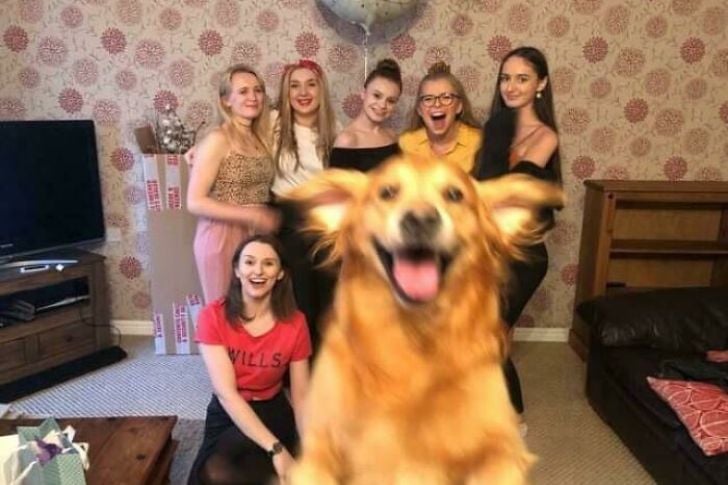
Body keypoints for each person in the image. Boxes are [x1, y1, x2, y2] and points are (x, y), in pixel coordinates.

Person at [472, 46, 562, 430]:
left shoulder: (545, 137)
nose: (511, 86)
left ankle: (514, 421)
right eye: (505, 78)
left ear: (540, 84)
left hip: (523, 258)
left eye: (522, 78)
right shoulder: (496, 128)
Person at [188, 234, 311, 485]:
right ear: (237, 269)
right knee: (215, 473)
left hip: (272, 410)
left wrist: (311, 447)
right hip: (228, 411)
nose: (258, 271)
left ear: (280, 273)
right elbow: (227, 394)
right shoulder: (212, 316)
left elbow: (301, 395)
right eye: (249, 262)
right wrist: (276, 449)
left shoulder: (296, 323)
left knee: (271, 474)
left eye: (268, 263)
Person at [187, 64, 280, 304]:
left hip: (256, 234)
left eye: (258, 90)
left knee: (255, 311)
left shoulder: (260, 136)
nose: (253, 97)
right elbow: (195, 202)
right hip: (222, 235)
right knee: (225, 312)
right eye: (243, 91)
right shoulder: (218, 139)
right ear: (226, 100)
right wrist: (251, 215)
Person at [271, 59, 337, 353]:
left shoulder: (335, 130)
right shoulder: (273, 123)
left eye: (311, 84)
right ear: (286, 93)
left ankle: (324, 359)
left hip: (324, 219)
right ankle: (297, 360)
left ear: (321, 90)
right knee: (299, 296)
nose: (303, 92)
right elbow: (231, 131)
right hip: (287, 217)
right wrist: (199, 149)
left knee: (328, 292)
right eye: (294, 86)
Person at [398, 61, 481, 172]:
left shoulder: (478, 141)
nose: (437, 104)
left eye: (446, 97)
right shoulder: (406, 143)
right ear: (419, 110)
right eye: (428, 99)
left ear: (459, 106)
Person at [329, 58, 403, 172]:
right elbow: (334, 183)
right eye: (377, 96)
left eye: (391, 101)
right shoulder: (347, 140)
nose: (382, 105)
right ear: (363, 94)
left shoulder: (392, 137)